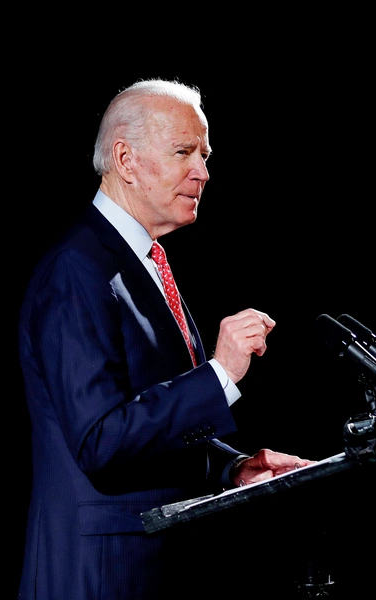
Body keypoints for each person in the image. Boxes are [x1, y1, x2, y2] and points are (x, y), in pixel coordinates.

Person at [16, 78, 315, 600]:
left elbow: (153, 427)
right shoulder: (76, 270)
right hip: (102, 576)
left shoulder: (142, 260)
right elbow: (100, 441)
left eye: (204, 154)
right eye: (184, 152)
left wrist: (231, 466)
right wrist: (219, 374)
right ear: (126, 160)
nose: (202, 171)